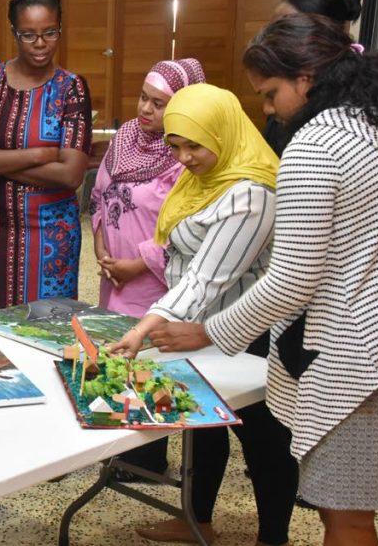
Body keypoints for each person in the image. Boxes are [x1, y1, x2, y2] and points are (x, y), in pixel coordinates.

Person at [153, 13, 378, 546]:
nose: (268, 110)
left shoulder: (318, 145)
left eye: (270, 94)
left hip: (357, 360)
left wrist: (209, 332)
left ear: (308, 78)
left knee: (345, 512)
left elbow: (292, 279)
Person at [110, 83, 296, 546]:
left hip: (249, 333)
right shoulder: (202, 178)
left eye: (196, 145)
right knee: (204, 426)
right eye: (176, 146)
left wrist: (143, 328)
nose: (186, 157)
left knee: (263, 441)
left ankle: (273, 537)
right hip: (199, 330)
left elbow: (206, 279)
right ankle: (198, 520)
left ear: (224, 133)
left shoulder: (250, 193)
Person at [88, 58, 205, 481]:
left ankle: (148, 457)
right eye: (143, 98)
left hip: (151, 279)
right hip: (112, 272)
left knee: (149, 363)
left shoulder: (186, 153)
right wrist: (101, 246)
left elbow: (184, 225)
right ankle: (123, 446)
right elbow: (101, 195)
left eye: (159, 103)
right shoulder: (124, 139)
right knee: (117, 354)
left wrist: (137, 264)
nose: (145, 110)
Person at [0, 0, 92, 313]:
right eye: (28, 35)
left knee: (48, 329)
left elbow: (70, 174)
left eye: (49, 33)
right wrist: (40, 155)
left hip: (51, 235)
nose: (40, 44)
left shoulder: (72, 88)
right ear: (14, 32)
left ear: (60, 28)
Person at [264, 0, 362, 155]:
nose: (272, 35)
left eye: (287, 27)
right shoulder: (283, 75)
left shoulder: (346, 98)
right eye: (273, 26)